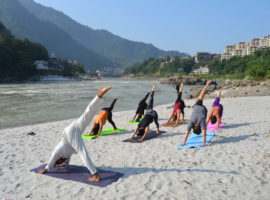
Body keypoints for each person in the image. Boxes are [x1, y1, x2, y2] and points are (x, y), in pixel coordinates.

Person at [36, 86, 112, 182]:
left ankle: (95, 175)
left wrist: (46, 169)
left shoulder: (59, 150)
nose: (63, 162)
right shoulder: (66, 155)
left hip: (70, 134)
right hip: (74, 129)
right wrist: (63, 163)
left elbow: (53, 157)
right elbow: (66, 160)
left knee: (83, 153)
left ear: (58, 158)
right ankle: (99, 95)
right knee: (88, 113)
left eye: (60, 161)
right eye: (62, 162)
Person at [181, 80, 211, 147]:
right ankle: (207, 84)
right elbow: (186, 134)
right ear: (193, 127)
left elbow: (204, 134)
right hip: (196, 107)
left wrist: (203, 144)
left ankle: (207, 84)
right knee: (201, 95)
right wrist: (183, 142)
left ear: (200, 128)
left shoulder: (202, 122)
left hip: (204, 110)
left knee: (204, 116)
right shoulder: (191, 122)